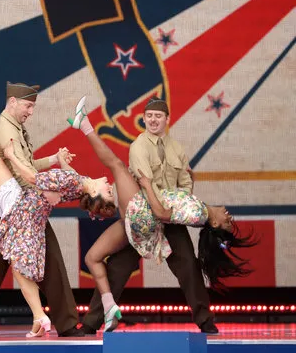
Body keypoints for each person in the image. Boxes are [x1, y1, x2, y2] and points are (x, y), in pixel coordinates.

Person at [69, 97, 257, 332]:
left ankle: (205, 321)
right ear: (144, 119)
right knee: (118, 267)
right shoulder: (139, 146)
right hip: (145, 214)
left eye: (158, 116)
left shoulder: (177, 149)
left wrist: (180, 203)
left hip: (171, 216)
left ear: (167, 119)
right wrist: (163, 209)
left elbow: (185, 183)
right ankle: (90, 323)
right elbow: (147, 186)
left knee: (188, 265)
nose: (153, 120)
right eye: (149, 116)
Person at [0, 85, 115, 337]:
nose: (31, 111)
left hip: (31, 203)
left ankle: (65, 323)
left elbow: (28, 167)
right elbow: (25, 172)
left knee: (51, 262)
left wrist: (52, 160)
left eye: (33, 107)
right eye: (28, 106)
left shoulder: (17, 128)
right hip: (14, 203)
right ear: (13, 101)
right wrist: (44, 181)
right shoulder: (6, 130)